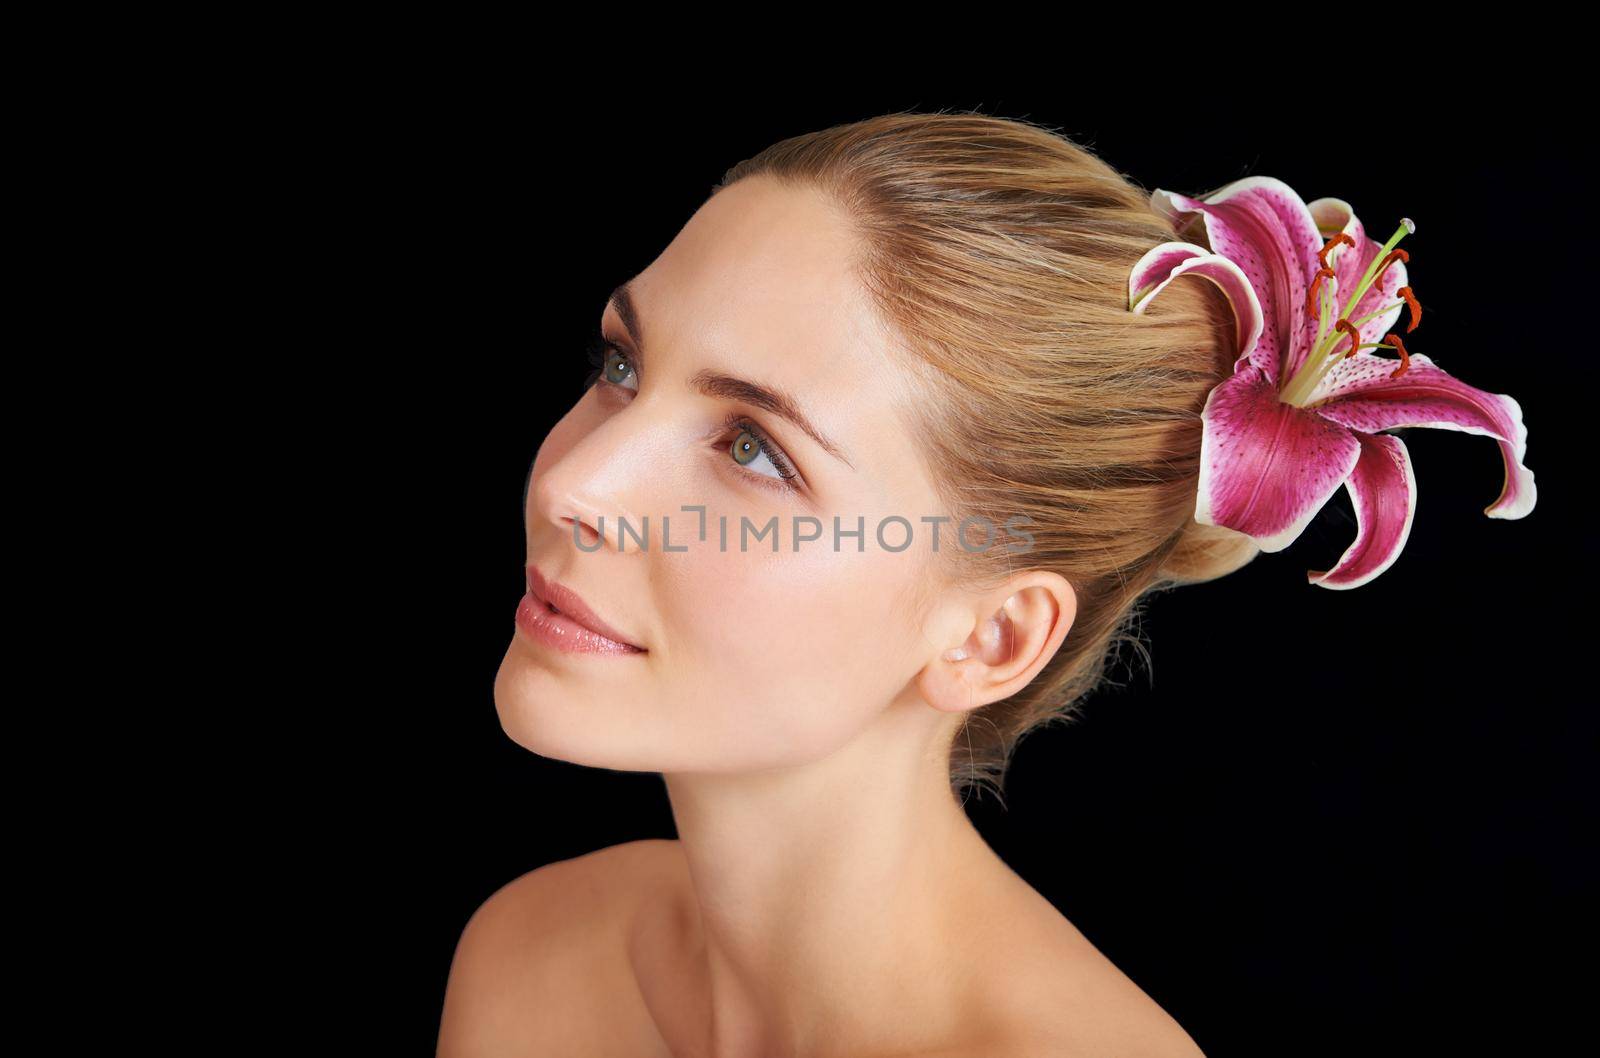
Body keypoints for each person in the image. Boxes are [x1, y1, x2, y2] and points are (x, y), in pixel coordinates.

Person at [439, 110, 1314, 1057]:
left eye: (752, 450)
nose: (572, 485)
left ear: (992, 638)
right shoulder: (532, 958)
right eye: (621, 364)